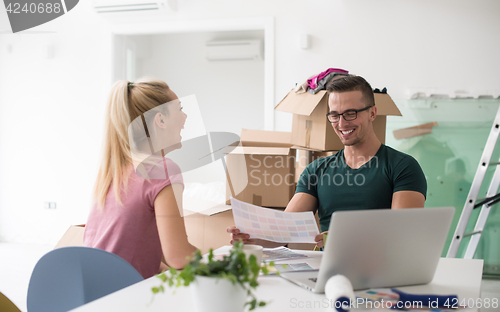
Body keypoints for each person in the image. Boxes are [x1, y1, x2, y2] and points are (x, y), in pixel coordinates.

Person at [228, 75, 427, 248]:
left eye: (350, 113)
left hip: (384, 275)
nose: (341, 124)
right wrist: (251, 237)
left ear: (372, 113)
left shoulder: (402, 167)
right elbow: (283, 232)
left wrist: (343, 240)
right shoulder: (316, 171)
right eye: (334, 115)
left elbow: (403, 236)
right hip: (329, 275)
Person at [83, 78, 197, 279]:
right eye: (180, 109)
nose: (186, 117)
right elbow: (178, 256)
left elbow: (132, 250)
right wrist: (228, 259)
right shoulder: (162, 170)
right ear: (160, 120)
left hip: (95, 297)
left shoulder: (114, 173)